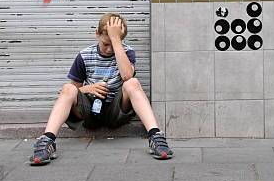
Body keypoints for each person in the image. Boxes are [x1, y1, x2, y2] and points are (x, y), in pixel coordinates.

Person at [29, 13, 173, 165]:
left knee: (133, 83)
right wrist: (88, 89)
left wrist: (116, 39)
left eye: (114, 43)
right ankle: (47, 140)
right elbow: (72, 91)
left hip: (116, 111)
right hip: (89, 112)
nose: (110, 49)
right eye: (106, 43)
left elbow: (126, 75)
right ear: (96, 34)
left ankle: (155, 137)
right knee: (67, 88)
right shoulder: (84, 56)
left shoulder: (126, 52)